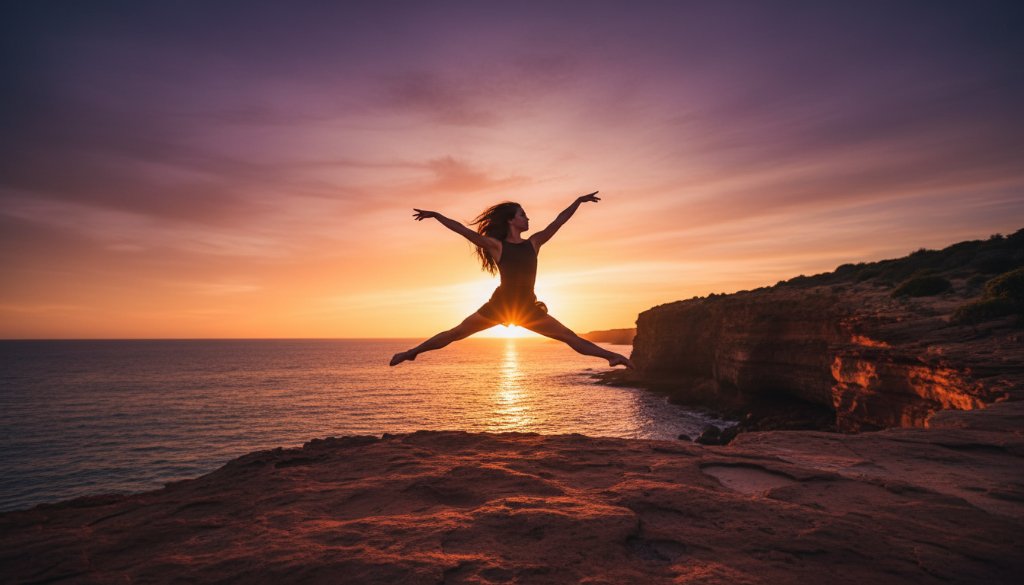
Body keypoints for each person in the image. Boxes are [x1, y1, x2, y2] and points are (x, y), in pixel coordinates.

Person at [390, 192, 634, 368]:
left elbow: (558, 221)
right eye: (523, 215)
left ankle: (611, 356)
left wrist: (578, 202)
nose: (528, 219)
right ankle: (412, 352)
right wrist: (437, 215)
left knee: (570, 336)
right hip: (500, 306)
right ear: (511, 220)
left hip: (527, 308)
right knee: (456, 333)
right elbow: (463, 231)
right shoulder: (497, 246)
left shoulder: (534, 243)